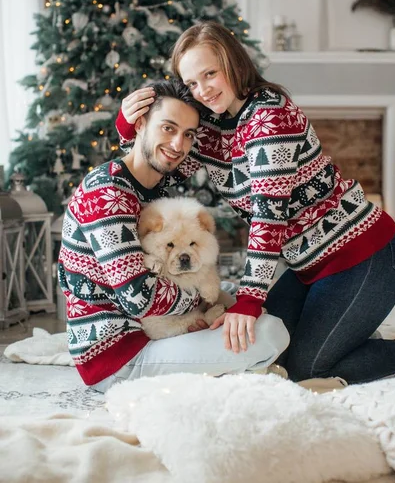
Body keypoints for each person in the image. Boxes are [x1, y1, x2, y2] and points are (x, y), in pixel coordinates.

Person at [116, 21, 395, 385]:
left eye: (210, 74)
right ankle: (347, 335)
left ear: (233, 64)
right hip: (307, 267)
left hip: (363, 255)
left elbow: (269, 217)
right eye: (192, 83)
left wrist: (249, 301)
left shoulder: (270, 116)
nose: (202, 90)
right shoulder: (210, 126)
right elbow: (165, 173)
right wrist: (131, 128)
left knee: (305, 369)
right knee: (268, 351)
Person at [58, 79, 290, 392]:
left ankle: (231, 369)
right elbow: (140, 298)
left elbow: (208, 146)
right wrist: (201, 299)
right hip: (119, 356)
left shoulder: (150, 184)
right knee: (272, 332)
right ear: (141, 124)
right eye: (167, 128)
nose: (178, 145)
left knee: (245, 305)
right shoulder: (107, 193)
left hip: (152, 331)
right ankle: (239, 373)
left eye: (187, 135)